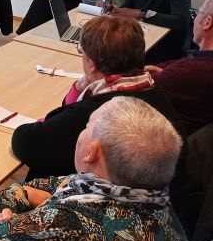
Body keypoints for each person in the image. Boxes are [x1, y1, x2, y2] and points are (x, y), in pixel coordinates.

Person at [0, 96, 195, 241]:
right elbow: (63, 183)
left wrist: (19, 194)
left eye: (86, 126)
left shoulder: (69, 227)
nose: (82, 131)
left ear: (92, 152)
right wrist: (23, 220)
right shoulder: (156, 203)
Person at [11, 15, 183, 181]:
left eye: (82, 52)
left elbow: (24, 142)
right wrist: (82, 85)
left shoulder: (98, 109)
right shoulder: (151, 87)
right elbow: (67, 110)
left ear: (92, 64)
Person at [148, 0, 213, 135]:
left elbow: (135, 87)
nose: (194, 19)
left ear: (207, 22)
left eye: (197, 13)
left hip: (163, 136)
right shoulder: (199, 62)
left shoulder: (194, 71)